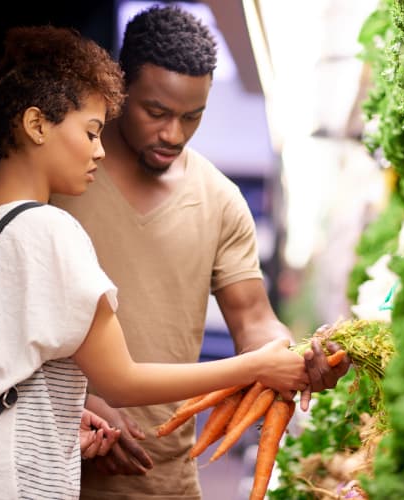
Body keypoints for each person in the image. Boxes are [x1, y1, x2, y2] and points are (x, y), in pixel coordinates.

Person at [0, 24, 324, 500]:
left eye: (193, 117)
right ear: (37, 124)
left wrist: (60, 409)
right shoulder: (51, 223)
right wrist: (253, 367)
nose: (174, 133)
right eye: (92, 131)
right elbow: (121, 381)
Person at [51, 5, 350, 500]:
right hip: (54, 472)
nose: (174, 134)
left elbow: (254, 320)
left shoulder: (221, 198)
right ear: (119, 88)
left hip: (167, 480)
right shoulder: (62, 178)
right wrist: (76, 401)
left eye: (193, 117)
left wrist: (296, 357)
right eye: (156, 112)